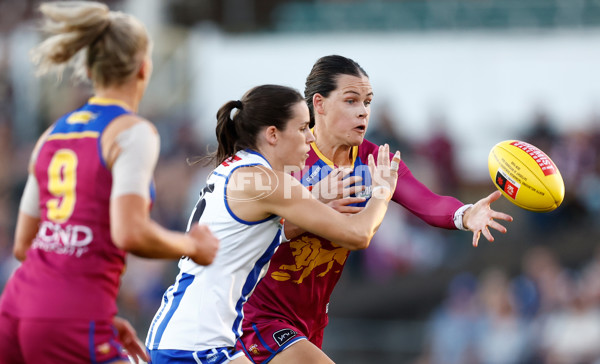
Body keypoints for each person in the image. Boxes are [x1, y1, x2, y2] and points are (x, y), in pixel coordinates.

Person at [237, 55, 513, 364]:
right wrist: (312, 205)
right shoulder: (289, 157)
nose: (363, 112)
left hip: (311, 319)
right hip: (258, 313)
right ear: (320, 103)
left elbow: (425, 200)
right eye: (351, 100)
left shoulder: (374, 160)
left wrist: (464, 214)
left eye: (367, 102)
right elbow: (250, 230)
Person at [0, 2, 219, 363]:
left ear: (89, 69)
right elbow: (130, 232)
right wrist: (192, 245)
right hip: (69, 313)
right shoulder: (133, 132)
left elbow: (25, 245)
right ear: (144, 68)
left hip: (16, 308)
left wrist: (93, 315)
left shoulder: (52, 134)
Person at [145, 84, 401, 363]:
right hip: (192, 346)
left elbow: (266, 232)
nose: (310, 140)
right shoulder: (267, 181)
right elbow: (358, 235)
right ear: (272, 134)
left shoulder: (238, 168)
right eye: (303, 128)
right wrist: (383, 191)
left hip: (192, 339)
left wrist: (314, 199)